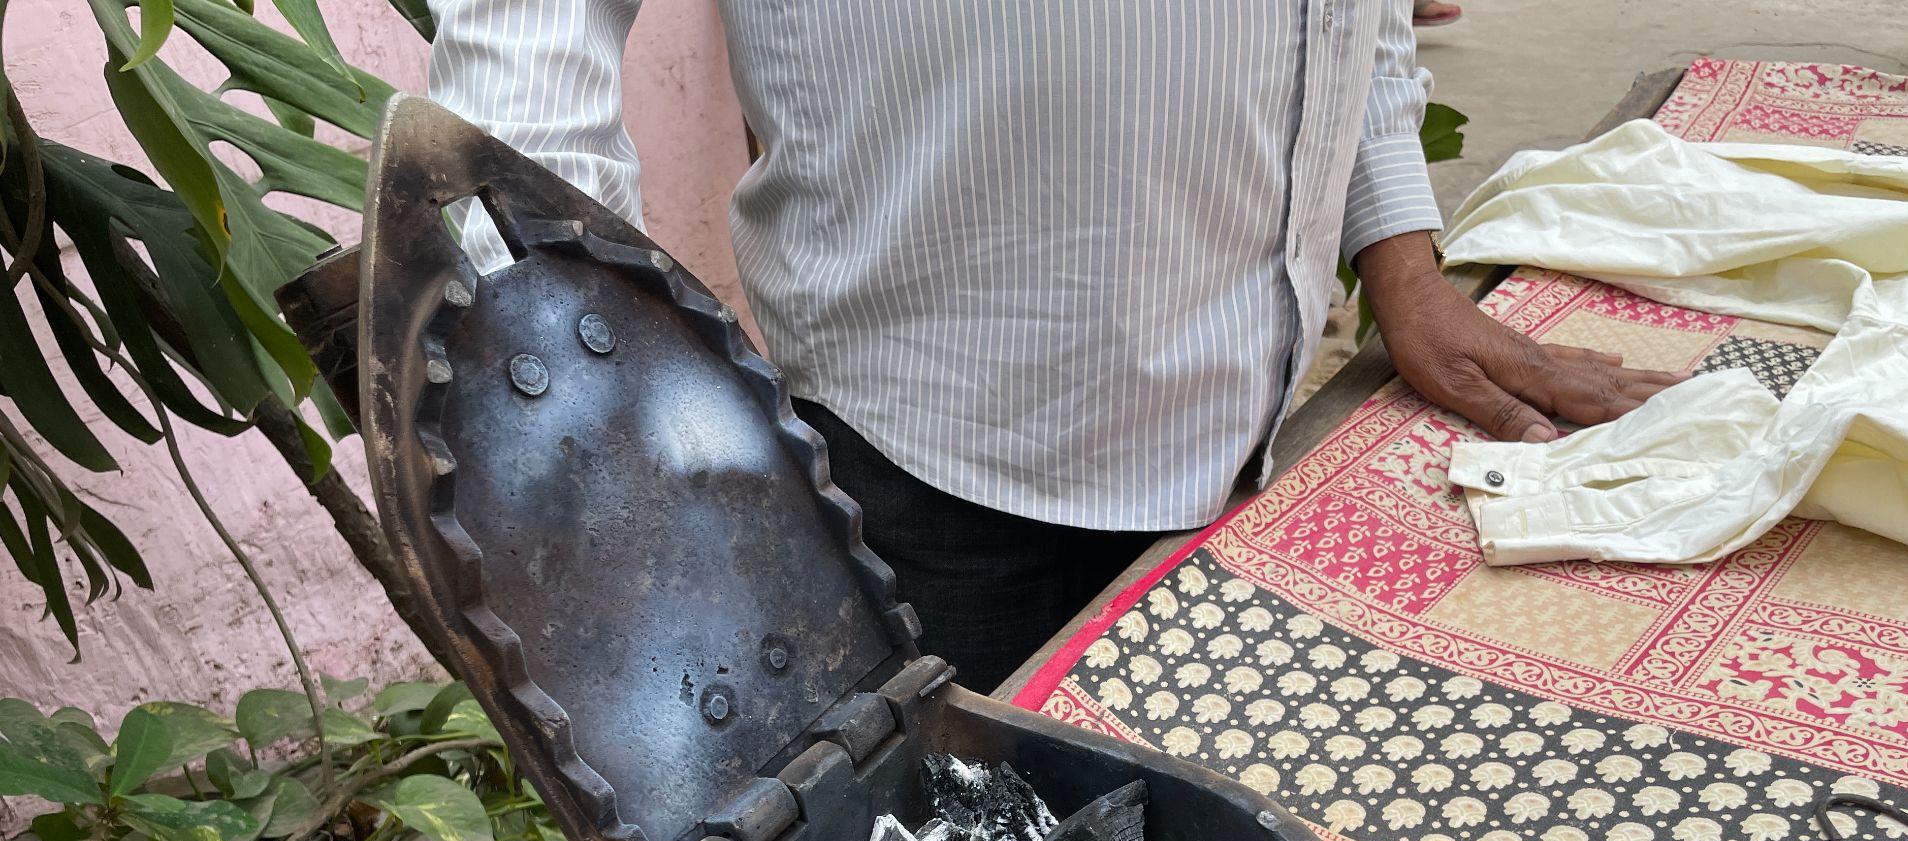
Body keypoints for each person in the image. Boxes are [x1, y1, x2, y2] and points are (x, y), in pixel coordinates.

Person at [429, 0, 1678, 692]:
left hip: (1260, 422)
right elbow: (524, 48)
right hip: (935, 464)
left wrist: (1398, 254)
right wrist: (577, 430)